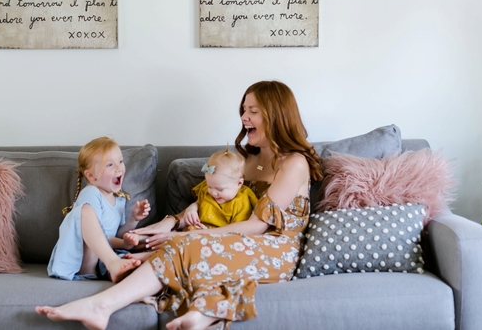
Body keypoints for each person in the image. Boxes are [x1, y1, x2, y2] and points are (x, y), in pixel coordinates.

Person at [36, 81, 323, 330]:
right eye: (244, 110)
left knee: (183, 246)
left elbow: (258, 225)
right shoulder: (246, 162)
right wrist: (174, 221)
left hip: (276, 250)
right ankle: (202, 314)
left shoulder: (294, 163)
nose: (244, 117)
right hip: (242, 243)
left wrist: (184, 237)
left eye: (253, 111)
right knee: (173, 248)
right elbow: (213, 205)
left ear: (276, 115)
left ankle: (101, 306)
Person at [46, 137, 151, 283]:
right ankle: (113, 263)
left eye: (120, 161)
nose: (119, 168)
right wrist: (123, 244)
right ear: (90, 176)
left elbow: (118, 234)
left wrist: (133, 219)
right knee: (86, 211)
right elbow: (94, 234)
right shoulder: (92, 194)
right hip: (83, 258)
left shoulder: (120, 200)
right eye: (109, 165)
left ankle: (122, 269)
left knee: (140, 256)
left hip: (102, 260)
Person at [122, 148, 257, 255]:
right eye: (210, 186)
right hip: (190, 230)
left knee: (177, 244)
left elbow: (238, 233)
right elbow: (200, 201)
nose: (213, 192)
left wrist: (210, 234)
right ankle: (140, 240)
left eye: (219, 189)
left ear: (239, 183)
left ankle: (146, 256)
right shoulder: (207, 189)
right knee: (169, 236)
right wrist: (193, 208)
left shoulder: (242, 201)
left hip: (214, 239)